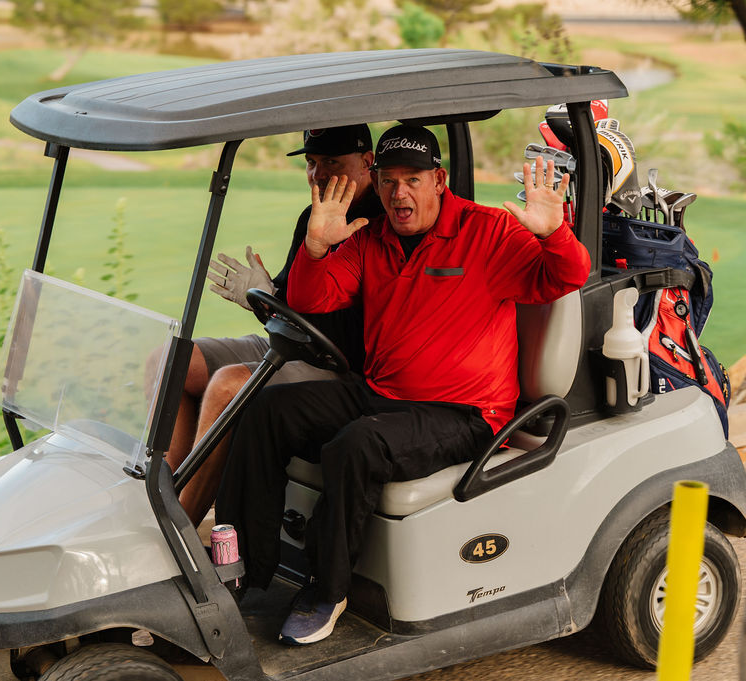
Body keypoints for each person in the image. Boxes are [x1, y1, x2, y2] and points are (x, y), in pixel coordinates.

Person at [214, 124, 591, 646]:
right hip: (383, 392)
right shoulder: (371, 237)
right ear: (376, 182)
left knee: (357, 444)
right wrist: (316, 248)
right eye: (388, 181)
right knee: (266, 409)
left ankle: (326, 591)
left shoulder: (488, 232)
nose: (398, 193)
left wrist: (554, 233)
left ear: (439, 180)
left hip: (464, 411)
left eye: (412, 179)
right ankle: (242, 569)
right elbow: (312, 300)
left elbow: (564, 277)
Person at [164, 125, 383, 526]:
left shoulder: (382, 225)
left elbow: (346, 325)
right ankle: (163, 495)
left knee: (228, 385)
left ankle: (177, 530)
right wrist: (262, 295)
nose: (317, 174)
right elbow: (288, 302)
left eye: (331, 162)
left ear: (367, 162)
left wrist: (275, 302)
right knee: (173, 360)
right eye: (312, 163)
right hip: (290, 346)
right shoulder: (312, 218)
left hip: (340, 368)